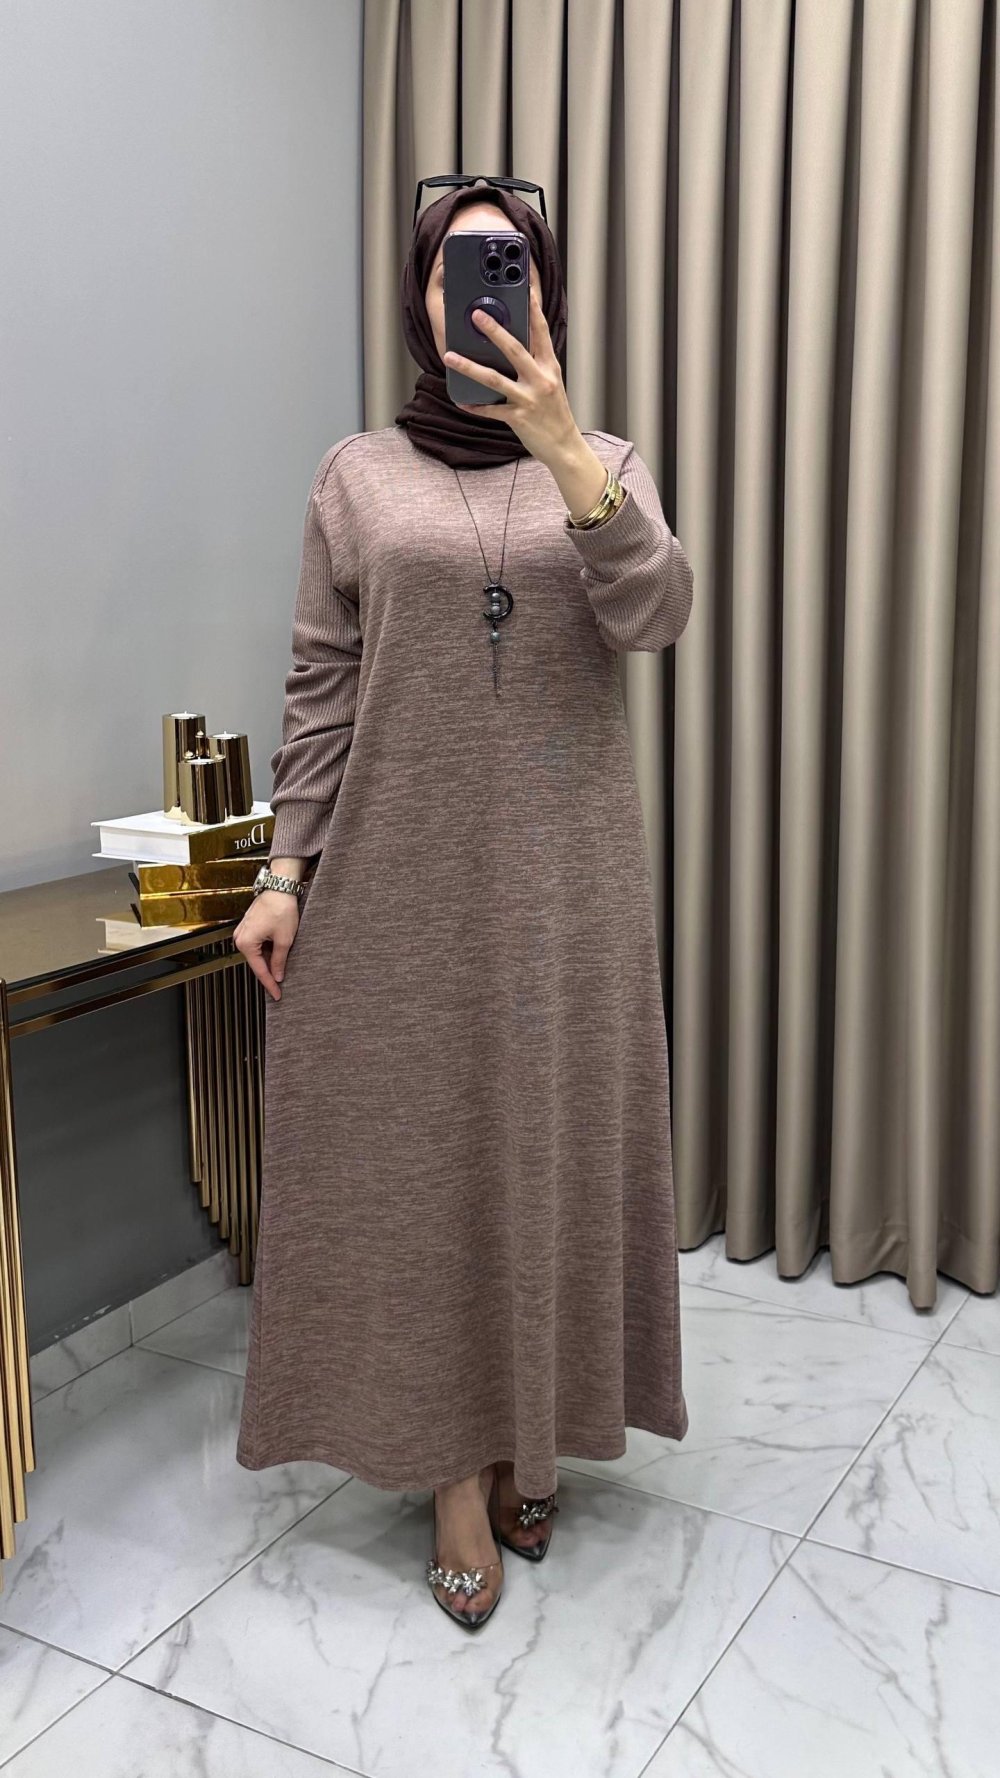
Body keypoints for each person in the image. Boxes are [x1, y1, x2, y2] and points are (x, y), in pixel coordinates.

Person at [233, 177, 693, 1632]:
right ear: (420, 294)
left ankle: (529, 1436)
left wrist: (564, 451)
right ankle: (449, 1471)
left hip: (565, 886)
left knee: (545, 1156)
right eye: (455, 264)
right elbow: (322, 681)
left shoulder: (604, 460)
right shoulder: (355, 475)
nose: (481, 288)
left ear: (543, 290)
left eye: (508, 263)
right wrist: (284, 869)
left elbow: (656, 613)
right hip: (393, 880)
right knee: (418, 1173)